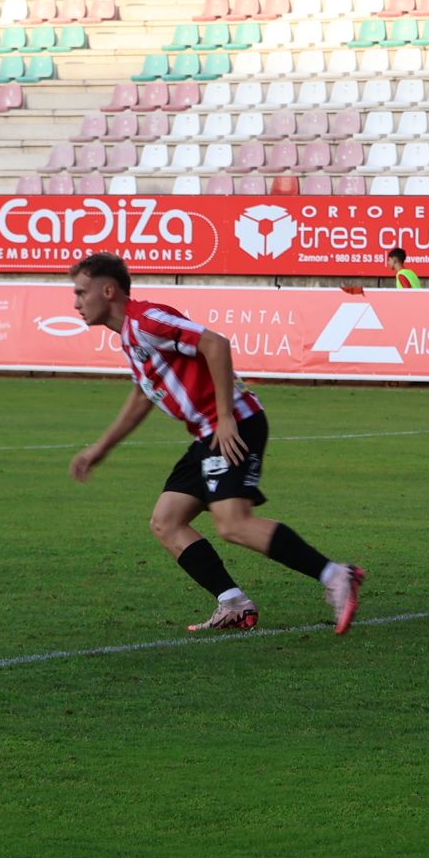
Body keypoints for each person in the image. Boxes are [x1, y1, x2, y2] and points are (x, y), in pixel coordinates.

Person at [65, 253, 366, 635]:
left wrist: (225, 417)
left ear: (108, 291)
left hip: (233, 424)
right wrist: (101, 448)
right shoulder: (130, 337)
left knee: (234, 524)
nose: (76, 302)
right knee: (166, 521)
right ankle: (233, 603)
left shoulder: (147, 320)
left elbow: (216, 344)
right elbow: (144, 396)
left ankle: (337, 575)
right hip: (206, 433)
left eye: (81, 292)